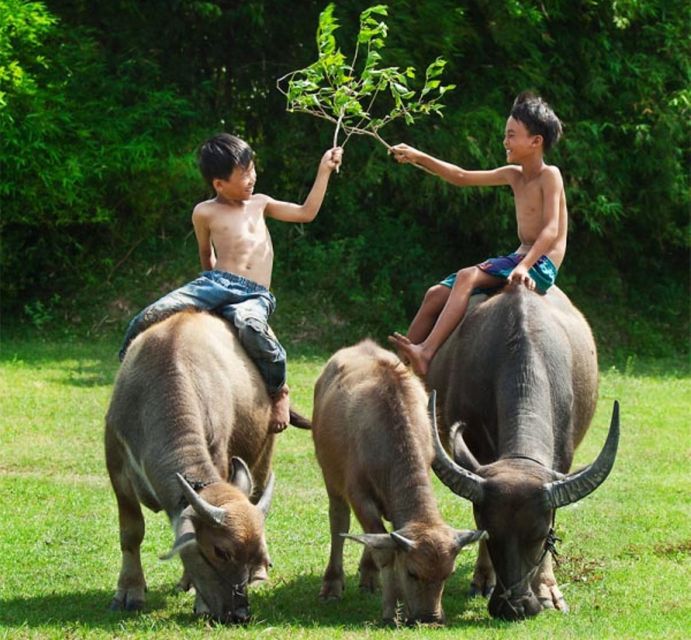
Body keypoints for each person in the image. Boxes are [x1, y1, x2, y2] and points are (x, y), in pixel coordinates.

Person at [120, 133, 343, 431]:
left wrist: (324, 170)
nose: (252, 178)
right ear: (219, 184)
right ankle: (126, 379)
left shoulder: (261, 204)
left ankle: (279, 392)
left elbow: (306, 213)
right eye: (243, 175)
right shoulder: (204, 212)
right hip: (215, 284)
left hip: (255, 295)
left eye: (252, 170)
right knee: (148, 317)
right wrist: (204, 298)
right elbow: (205, 254)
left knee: (252, 328)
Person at [388, 91, 566, 378]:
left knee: (466, 276)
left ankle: (426, 352)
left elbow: (551, 230)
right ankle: (400, 372)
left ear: (536, 141)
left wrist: (523, 266)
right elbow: (461, 176)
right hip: (520, 257)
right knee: (435, 295)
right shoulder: (514, 174)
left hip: (540, 264)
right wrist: (418, 157)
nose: (505, 141)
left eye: (511, 135)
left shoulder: (550, 175)